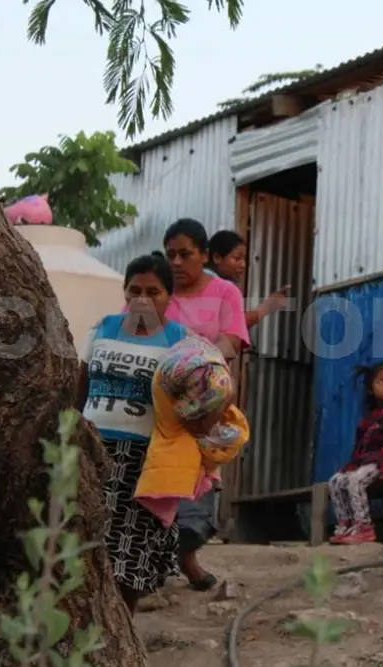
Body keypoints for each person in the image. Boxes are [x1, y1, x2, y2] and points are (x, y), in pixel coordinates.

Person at [74, 253, 190, 614]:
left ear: (169, 296)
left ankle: (123, 625)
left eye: (152, 292)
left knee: (130, 549)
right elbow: (81, 382)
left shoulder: (180, 340)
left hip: (143, 458)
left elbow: (194, 397)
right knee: (86, 541)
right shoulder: (104, 327)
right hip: (94, 450)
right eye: (134, 290)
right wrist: (72, 429)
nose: (142, 299)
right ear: (124, 291)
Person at [160, 217, 251, 590]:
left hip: (205, 399)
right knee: (161, 478)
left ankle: (187, 555)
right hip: (161, 399)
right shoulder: (158, 291)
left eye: (185, 254)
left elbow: (232, 342)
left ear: (204, 255)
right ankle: (170, 564)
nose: (176, 262)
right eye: (170, 255)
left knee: (198, 479)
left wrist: (195, 363)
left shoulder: (225, 293)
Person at [135, 337, 250, 530]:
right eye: (219, 409)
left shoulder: (168, 387)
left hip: (159, 473)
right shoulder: (202, 433)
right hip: (179, 483)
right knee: (188, 529)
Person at [328, 363, 383, 545]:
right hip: (367, 462)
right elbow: (360, 448)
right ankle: (346, 525)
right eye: (381, 382)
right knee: (336, 481)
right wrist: (352, 465)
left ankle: (364, 527)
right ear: (371, 389)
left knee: (354, 481)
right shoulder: (369, 418)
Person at [205, 229, 290, 328]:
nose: (243, 265)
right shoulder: (210, 283)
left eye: (244, 259)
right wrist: (267, 306)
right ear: (217, 258)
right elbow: (235, 324)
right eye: (237, 258)